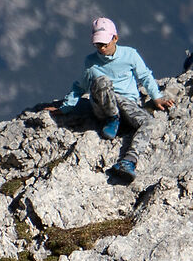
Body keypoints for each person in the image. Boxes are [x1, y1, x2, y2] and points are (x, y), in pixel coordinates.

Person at [41, 17, 171, 181]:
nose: (101, 48)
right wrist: (65, 107)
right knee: (102, 82)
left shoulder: (130, 55)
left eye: (105, 44)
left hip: (128, 103)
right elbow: (80, 86)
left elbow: (145, 76)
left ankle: (128, 162)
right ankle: (112, 119)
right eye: (98, 44)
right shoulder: (91, 62)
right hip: (103, 108)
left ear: (115, 38)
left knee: (148, 122)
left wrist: (157, 97)